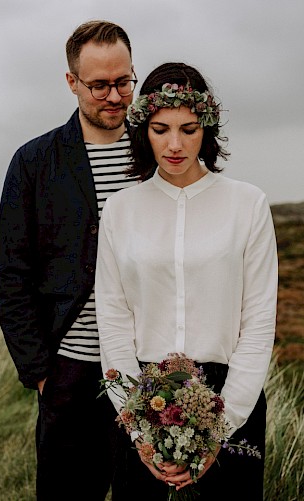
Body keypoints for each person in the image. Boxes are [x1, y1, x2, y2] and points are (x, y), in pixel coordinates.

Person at [96, 62, 277, 499]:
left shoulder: (248, 205)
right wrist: (138, 428)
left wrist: (220, 427)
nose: (174, 145)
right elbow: (114, 321)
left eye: (189, 129)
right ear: (144, 130)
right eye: (160, 129)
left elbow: (257, 323)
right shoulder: (121, 210)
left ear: (207, 129)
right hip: (142, 396)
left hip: (231, 395)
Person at [0, 19, 139, 500]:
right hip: (68, 372)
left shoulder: (157, 153)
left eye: (123, 81)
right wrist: (39, 372)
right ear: (72, 82)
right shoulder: (34, 162)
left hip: (150, 367)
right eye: (99, 85)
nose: (114, 96)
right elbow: (11, 274)